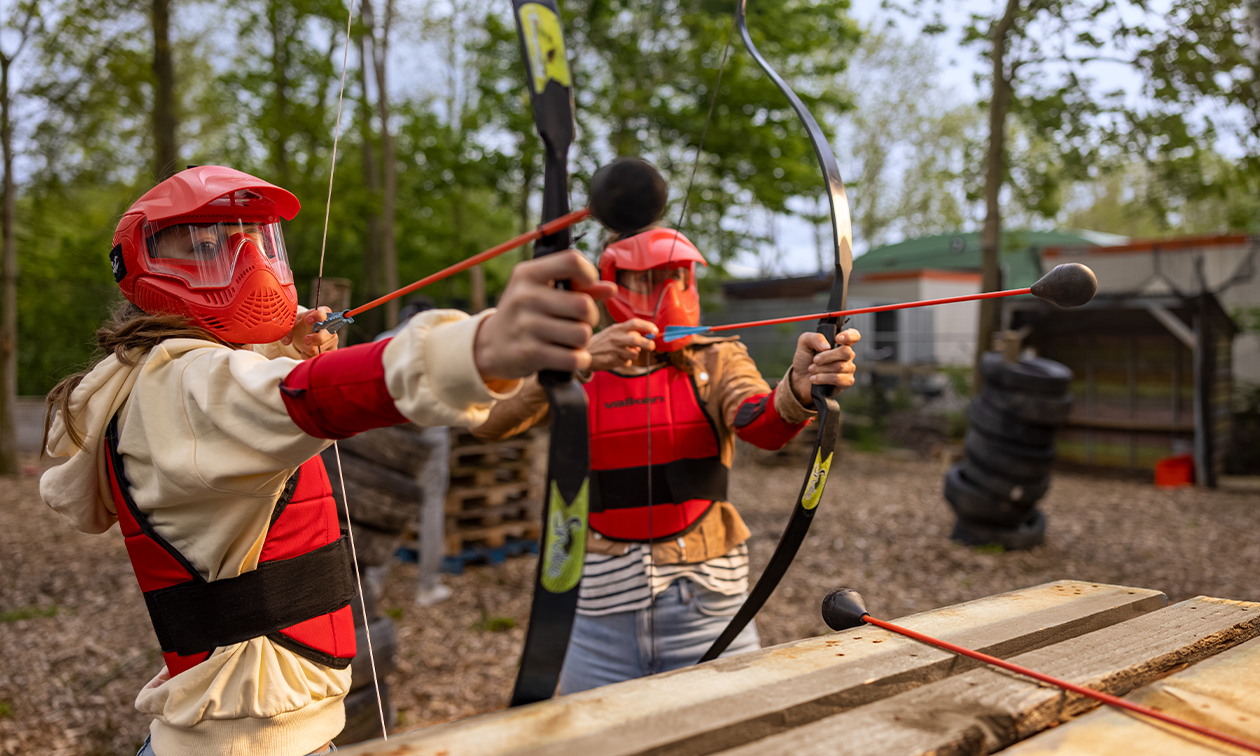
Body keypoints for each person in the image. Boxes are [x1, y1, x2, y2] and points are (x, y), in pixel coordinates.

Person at [39, 166, 614, 755]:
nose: (249, 266)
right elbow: (303, 396)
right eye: (208, 247)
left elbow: (241, 386)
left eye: (256, 242)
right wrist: (480, 346)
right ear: (146, 268)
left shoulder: (158, 378)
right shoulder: (186, 387)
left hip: (245, 732)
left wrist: (279, 344)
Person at [473, 226, 861, 693]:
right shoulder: (576, 360)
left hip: (704, 602)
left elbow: (762, 421)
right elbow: (488, 420)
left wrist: (800, 387)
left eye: (678, 276)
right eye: (645, 279)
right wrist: (578, 362)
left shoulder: (716, 357)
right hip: (598, 608)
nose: (665, 292)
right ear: (612, 284)